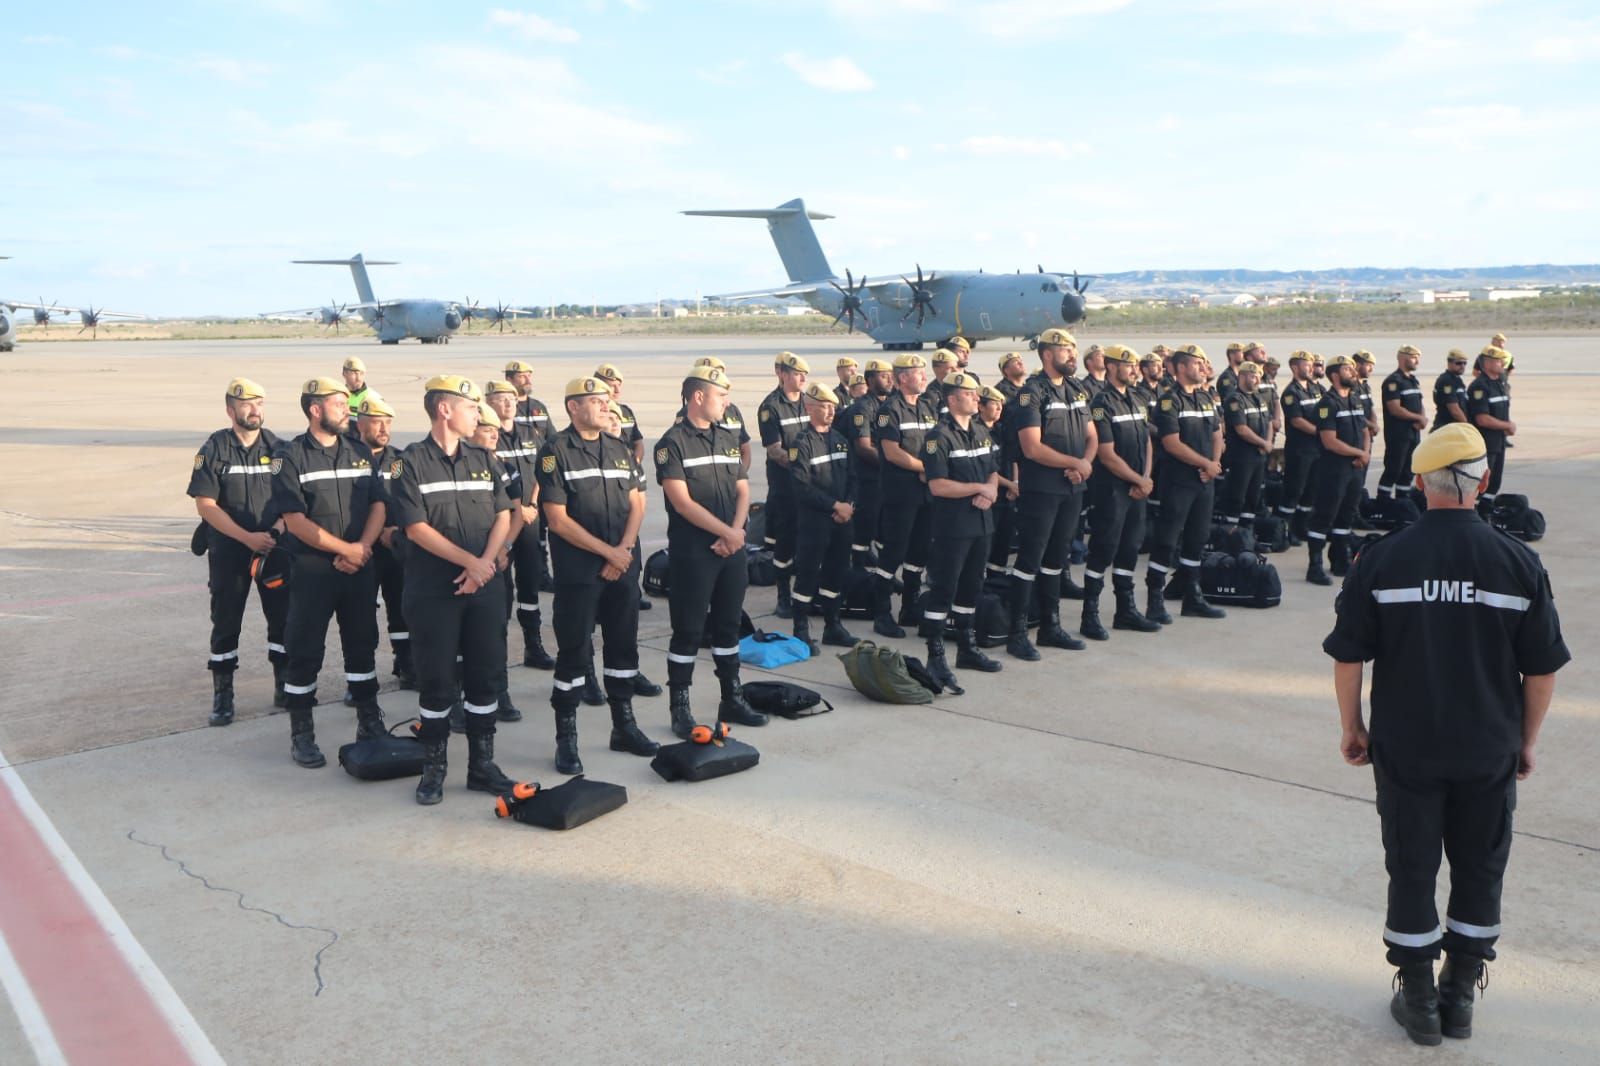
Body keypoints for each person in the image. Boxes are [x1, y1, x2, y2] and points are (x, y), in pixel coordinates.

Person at [1322, 422, 1567, 1046]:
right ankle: (1460, 994)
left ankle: (1420, 998)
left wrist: (1354, 727)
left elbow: (1349, 658)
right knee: (1481, 863)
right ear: (1484, 481)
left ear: (1421, 485)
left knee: (1412, 862)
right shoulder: (1518, 562)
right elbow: (1540, 671)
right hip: (1488, 744)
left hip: (1407, 744)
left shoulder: (1382, 558)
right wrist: (1526, 740)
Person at [385, 376, 522, 804]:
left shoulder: (484, 459)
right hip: (434, 592)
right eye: (470, 406)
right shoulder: (409, 463)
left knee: (484, 678)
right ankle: (434, 768)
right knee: (437, 683)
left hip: (483, 590)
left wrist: (484, 564)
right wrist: (473, 564)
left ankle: (481, 766)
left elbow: (503, 513)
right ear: (444, 409)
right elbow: (415, 528)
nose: (478, 414)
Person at [535, 377, 656, 776]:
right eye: (596, 401)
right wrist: (609, 553)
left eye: (607, 401)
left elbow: (638, 503)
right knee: (574, 653)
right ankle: (565, 739)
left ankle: (624, 727)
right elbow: (557, 519)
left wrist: (622, 551)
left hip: (621, 567)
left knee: (623, 649)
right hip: (580, 574)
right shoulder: (556, 452)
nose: (607, 407)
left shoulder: (620, 449)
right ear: (573, 408)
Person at [270, 378, 387, 768]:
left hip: (358, 567)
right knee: (304, 650)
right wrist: (346, 549)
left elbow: (378, 507)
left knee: (362, 644)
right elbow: (295, 521)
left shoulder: (358, 451)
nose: (346, 410)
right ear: (315, 409)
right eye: (338, 403)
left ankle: (369, 722)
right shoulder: (290, 457)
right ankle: (302, 731)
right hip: (312, 571)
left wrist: (363, 549)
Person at [653, 366, 767, 738]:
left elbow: (743, 491)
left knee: (728, 626)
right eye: (721, 396)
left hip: (730, 549)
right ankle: (680, 706)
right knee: (687, 631)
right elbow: (683, 504)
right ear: (698, 397)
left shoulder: (727, 438)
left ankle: (731, 697)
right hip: (693, 554)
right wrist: (728, 534)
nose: (727, 402)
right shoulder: (671, 444)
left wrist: (736, 533)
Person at [188, 378, 289, 726]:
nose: (255, 410)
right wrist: (247, 538)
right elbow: (206, 505)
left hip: (274, 550)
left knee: (282, 619)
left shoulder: (279, 448)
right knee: (226, 622)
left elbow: (294, 502)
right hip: (230, 552)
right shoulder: (214, 449)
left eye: (260, 403)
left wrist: (274, 533)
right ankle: (224, 696)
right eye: (247, 404)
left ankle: (284, 685)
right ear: (231, 410)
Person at [1006, 327, 1095, 659]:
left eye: (1074, 349)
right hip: (1042, 489)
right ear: (1046, 354)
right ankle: (1017, 633)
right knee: (1030, 558)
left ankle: (1050, 626)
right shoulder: (1032, 393)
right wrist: (1075, 462)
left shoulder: (1076, 388)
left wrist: (1084, 464)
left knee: (1058, 558)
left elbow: (1092, 435)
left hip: (1073, 486)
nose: (1073, 354)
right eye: (1065, 349)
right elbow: (1031, 448)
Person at [920, 371, 1002, 693]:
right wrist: (979, 488)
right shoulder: (937, 436)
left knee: (972, 587)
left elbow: (994, 470)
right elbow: (938, 485)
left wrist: (990, 490)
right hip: (953, 527)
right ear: (953, 398)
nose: (977, 398)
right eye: (970, 394)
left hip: (982, 524)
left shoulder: (980, 430)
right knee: (944, 589)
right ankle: (935, 655)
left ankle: (966, 648)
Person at [1080, 345, 1160, 639]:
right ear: (1112, 367)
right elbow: (1106, 454)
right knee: (1104, 549)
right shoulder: (1101, 403)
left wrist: (1146, 478)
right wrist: (1138, 480)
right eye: (1128, 365)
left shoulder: (1138, 399)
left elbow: (1147, 443)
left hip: (1138, 487)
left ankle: (1125, 610)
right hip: (1113, 489)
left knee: (1130, 548)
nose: (1134, 369)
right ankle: (1090, 615)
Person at [1147, 345, 1227, 623]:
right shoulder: (1169, 402)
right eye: (1195, 363)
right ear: (1180, 368)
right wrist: (1204, 464)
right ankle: (1154, 599)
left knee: (1197, 538)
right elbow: (1171, 443)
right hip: (1179, 481)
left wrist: (1214, 464)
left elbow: (1218, 434)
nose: (1202, 367)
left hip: (1205, 481)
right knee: (1167, 539)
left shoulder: (1205, 397)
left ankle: (1192, 596)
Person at [486, 380, 555, 675]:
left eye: (512, 399)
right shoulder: (486, 436)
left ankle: (533, 644)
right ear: (489, 402)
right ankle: (495, 651)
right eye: (502, 399)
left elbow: (542, 468)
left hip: (529, 520)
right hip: (501, 523)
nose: (509, 404)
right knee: (502, 589)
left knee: (529, 584)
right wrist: (519, 509)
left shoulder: (530, 433)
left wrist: (534, 504)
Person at [870, 352, 940, 636]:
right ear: (902, 378)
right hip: (901, 493)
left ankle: (910, 608)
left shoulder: (927, 406)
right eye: (918, 372)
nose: (924, 376)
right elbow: (892, 451)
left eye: (923, 372)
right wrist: (925, 467)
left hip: (926, 492)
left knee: (919, 551)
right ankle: (881, 613)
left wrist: (933, 469)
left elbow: (935, 443)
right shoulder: (890, 410)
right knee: (894, 552)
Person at [786, 382, 858, 654]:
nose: (830, 411)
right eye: (824, 406)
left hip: (842, 520)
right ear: (810, 408)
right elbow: (801, 487)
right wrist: (834, 506)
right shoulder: (801, 443)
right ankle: (800, 629)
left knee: (836, 572)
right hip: (816, 522)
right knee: (807, 574)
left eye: (833, 407)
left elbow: (853, 477)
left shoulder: (840, 439)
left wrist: (849, 505)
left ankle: (833, 626)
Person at [354, 394, 414, 689]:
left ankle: (406, 663)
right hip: (360, 550)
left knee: (402, 609)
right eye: (376, 422)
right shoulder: (349, 458)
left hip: (395, 549)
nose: (383, 428)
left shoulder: (401, 461)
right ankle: (362, 677)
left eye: (388, 422)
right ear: (360, 423)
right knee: (361, 616)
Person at [1304, 355, 1371, 585]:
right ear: (1335, 375)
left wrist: (1365, 453)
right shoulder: (1327, 404)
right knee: (1325, 514)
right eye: (1347, 369)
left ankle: (1339, 559)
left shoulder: (1355, 399)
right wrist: (1358, 453)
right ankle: (1314, 566)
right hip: (1334, 470)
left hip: (1355, 468)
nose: (1352, 372)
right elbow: (1329, 440)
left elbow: (1364, 431)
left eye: (1352, 369)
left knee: (1347, 513)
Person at [757, 352, 811, 618]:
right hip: (786, 486)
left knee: (808, 540)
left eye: (805, 375)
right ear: (782, 374)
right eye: (797, 374)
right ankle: (782, 595)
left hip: (811, 486)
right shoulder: (770, 407)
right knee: (785, 541)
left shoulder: (810, 402)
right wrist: (802, 462)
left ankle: (804, 592)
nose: (802, 379)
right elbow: (775, 451)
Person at [842, 358, 892, 568]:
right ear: (870, 380)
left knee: (884, 527)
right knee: (865, 526)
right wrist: (892, 462)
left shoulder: (888, 405)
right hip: (867, 479)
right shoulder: (862, 408)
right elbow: (863, 447)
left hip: (885, 478)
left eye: (891, 376)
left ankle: (880, 571)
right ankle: (859, 574)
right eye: (883, 376)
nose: (889, 380)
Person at [1216, 360, 1272, 527]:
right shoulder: (1235, 400)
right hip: (1242, 457)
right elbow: (1241, 429)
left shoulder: (1258, 398)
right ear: (1242, 376)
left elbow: (1268, 422)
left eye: (1258, 377)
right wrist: (1263, 443)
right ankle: (1231, 535)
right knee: (1237, 497)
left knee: (1252, 498)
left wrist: (1268, 443)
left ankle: (1247, 536)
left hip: (1259, 456)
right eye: (1253, 377)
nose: (1257, 381)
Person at [1278, 351, 1322, 545]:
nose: (1310, 367)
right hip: (1300, 450)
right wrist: (1322, 433)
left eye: (1311, 364)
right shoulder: (1291, 393)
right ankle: (1284, 529)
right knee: (1294, 491)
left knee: (1310, 491)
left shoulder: (1315, 388)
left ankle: (1301, 526)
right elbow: (1297, 421)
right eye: (1306, 364)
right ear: (1295, 367)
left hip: (1316, 449)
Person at [1466, 346, 1514, 515]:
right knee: (1481, 483)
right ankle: (1476, 515)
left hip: (1498, 443)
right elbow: (1482, 418)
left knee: (1494, 483)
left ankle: (1486, 514)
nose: (1503, 364)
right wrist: (1506, 425)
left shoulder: (1498, 384)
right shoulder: (1480, 387)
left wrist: (1505, 427)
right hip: (1485, 444)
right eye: (1499, 360)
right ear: (1487, 363)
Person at [978, 385, 1019, 579]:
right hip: (989, 496)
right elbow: (988, 467)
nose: (999, 409)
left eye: (1000, 405)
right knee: (986, 543)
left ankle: (996, 583)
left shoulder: (1002, 429)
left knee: (1003, 543)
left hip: (1008, 495)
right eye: (994, 405)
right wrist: (1010, 484)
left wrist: (1016, 482)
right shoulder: (976, 432)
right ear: (981, 407)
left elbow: (1013, 457)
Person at [1377, 345, 1428, 500]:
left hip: (1413, 434)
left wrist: (1422, 418)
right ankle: (1383, 503)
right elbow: (1395, 408)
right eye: (1414, 357)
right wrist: (1417, 418)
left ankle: (1402, 503)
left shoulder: (1413, 381)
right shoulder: (1393, 382)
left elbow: (1420, 403)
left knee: (1408, 471)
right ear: (1403, 358)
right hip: (1398, 435)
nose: (1417, 361)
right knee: (1394, 470)